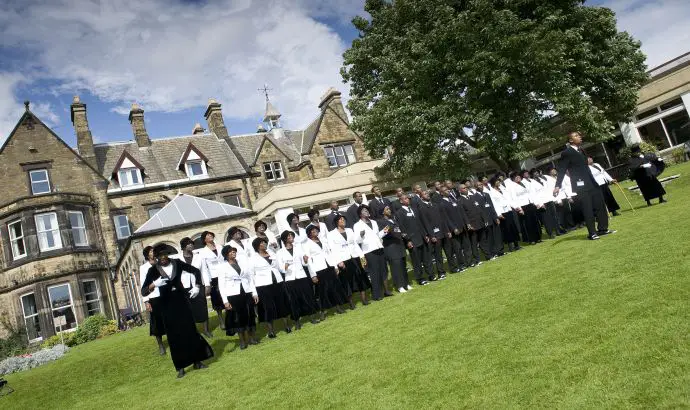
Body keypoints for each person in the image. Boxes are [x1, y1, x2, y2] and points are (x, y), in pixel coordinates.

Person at [141, 249, 213, 378]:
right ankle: (180, 367)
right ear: (156, 257)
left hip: (182, 301)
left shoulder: (177, 263)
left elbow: (196, 271)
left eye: (164, 254)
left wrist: (197, 286)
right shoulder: (153, 270)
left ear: (167, 255)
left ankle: (197, 362)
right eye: (159, 256)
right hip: (166, 305)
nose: (163, 257)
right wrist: (154, 284)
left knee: (190, 330)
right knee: (174, 335)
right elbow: (144, 291)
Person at [553, 132, 614, 240]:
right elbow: (562, 170)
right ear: (570, 140)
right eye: (576, 136)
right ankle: (592, 233)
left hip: (592, 183)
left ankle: (603, 229)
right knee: (587, 209)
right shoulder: (567, 153)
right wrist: (557, 186)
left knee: (600, 205)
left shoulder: (581, 150)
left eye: (579, 135)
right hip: (581, 185)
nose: (579, 137)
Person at [217, 245, 259, 349]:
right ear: (226, 254)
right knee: (238, 317)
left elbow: (250, 278)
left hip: (246, 292)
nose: (233, 253)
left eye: (234, 251)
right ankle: (242, 341)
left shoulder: (242, 263)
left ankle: (252, 338)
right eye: (231, 252)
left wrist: (254, 293)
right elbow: (221, 285)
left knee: (249, 315)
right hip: (233, 294)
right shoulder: (222, 267)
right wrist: (225, 301)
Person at [249, 237, 292, 338]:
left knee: (281, 304)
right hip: (263, 286)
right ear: (257, 246)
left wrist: (285, 266)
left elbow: (279, 267)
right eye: (262, 243)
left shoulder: (272, 253)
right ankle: (271, 331)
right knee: (267, 307)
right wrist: (254, 292)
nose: (264, 244)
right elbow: (251, 276)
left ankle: (287, 326)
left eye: (265, 242)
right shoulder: (252, 258)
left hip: (277, 282)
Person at [277, 231, 321, 327]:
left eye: (292, 235)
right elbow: (280, 268)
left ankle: (312, 317)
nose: (291, 237)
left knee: (307, 297)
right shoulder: (280, 252)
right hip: (290, 278)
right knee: (294, 300)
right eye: (289, 236)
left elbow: (304, 263)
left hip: (301, 276)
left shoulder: (298, 248)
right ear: (284, 239)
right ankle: (297, 321)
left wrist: (305, 260)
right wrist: (285, 266)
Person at [327, 215, 372, 306]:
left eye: (344, 219)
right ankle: (351, 302)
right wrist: (339, 261)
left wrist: (362, 257)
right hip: (343, 260)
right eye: (341, 220)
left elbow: (355, 244)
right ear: (336, 222)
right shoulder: (331, 234)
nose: (343, 221)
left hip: (355, 257)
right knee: (347, 281)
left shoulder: (349, 230)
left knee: (360, 277)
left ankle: (364, 299)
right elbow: (333, 249)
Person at [303, 225, 348, 316]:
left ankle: (338, 307)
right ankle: (322, 311)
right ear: (309, 233)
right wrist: (313, 275)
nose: (315, 231)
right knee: (323, 291)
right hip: (319, 269)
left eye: (316, 229)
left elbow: (329, 253)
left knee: (334, 288)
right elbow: (308, 261)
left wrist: (335, 266)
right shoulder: (306, 244)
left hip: (329, 266)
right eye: (312, 230)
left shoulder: (323, 240)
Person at [353, 205, 392, 300]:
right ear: (360, 214)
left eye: (367, 210)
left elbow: (377, 235)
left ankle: (386, 291)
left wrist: (385, 231)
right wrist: (361, 235)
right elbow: (357, 241)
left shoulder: (374, 222)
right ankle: (377, 295)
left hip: (379, 248)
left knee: (384, 270)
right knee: (374, 273)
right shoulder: (357, 225)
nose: (366, 211)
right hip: (369, 251)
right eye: (364, 210)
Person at [178, 238, 212, 338]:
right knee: (188, 309)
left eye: (192, 244)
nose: (191, 245)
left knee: (202, 306)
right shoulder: (178, 259)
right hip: (185, 286)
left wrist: (207, 285)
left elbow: (204, 271)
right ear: (183, 247)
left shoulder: (199, 256)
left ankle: (206, 330)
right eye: (188, 244)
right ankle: (193, 331)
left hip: (198, 284)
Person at [395, 194, 432, 286]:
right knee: (416, 261)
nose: (407, 200)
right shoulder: (399, 213)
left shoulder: (414, 209)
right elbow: (401, 228)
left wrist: (425, 235)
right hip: (412, 240)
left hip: (421, 237)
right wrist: (407, 240)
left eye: (408, 198)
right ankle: (420, 278)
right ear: (401, 201)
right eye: (405, 199)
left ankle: (430, 275)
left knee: (426, 258)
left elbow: (420, 223)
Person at [416, 190, 448, 280]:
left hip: (440, 232)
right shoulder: (421, 207)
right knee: (433, 256)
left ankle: (442, 271)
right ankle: (434, 274)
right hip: (432, 235)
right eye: (425, 193)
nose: (427, 194)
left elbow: (441, 219)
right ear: (421, 197)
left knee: (440, 254)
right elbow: (425, 222)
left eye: (427, 193)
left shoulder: (434, 204)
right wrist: (432, 235)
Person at [139, 246, 166, 355]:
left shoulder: (161, 262)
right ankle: (160, 345)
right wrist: (146, 301)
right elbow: (143, 284)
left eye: (153, 250)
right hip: (153, 296)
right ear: (147, 255)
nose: (153, 252)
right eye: (150, 251)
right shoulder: (144, 268)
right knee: (156, 322)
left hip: (165, 294)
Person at [197, 231, 226, 330]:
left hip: (224, 274)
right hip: (213, 277)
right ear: (204, 240)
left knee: (228, 296)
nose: (210, 236)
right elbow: (204, 269)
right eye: (207, 235)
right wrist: (207, 283)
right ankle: (221, 320)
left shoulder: (220, 247)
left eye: (211, 234)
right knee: (217, 299)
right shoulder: (202, 252)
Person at [380, 205, 412, 293]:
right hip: (391, 247)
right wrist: (391, 230)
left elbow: (399, 230)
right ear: (383, 212)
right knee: (396, 267)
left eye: (389, 209)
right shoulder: (381, 222)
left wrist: (405, 237)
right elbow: (383, 234)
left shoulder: (394, 220)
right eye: (387, 209)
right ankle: (399, 285)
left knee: (403, 266)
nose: (389, 210)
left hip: (400, 245)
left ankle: (406, 283)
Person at [437, 185, 468, 272]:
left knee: (466, 245)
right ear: (441, 193)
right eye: (445, 190)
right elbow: (446, 218)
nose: (448, 191)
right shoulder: (442, 204)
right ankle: (461, 265)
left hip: (461, 226)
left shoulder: (453, 200)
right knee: (457, 248)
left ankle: (468, 262)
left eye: (448, 190)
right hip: (454, 229)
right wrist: (453, 228)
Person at [457, 183, 486, 266]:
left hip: (479, 222)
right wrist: (468, 224)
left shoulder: (472, 197)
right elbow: (463, 214)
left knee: (483, 240)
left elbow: (479, 209)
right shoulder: (460, 200)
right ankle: (477, 259)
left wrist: (483, 219)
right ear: (459, 191)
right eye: (463, 188)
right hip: (472, 225)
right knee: (474, 243)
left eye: (466, 187)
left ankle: (488, 255)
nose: (466, 189)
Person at [509, 171, 541, 244]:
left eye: (518, 176)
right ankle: (531, 239)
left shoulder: (524, 183)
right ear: (513, 179)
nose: (518, 177)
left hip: (530, 203)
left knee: (534, 221)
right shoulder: (512, 186)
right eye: (516, 177)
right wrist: (519, 208)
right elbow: (513, 198)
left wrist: (535, 203)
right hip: (523, 206)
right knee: (527, 223)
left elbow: (530, 193)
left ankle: (537, 238)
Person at [490, 178, 521, 252]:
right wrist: (499, 214)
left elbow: (508, 199)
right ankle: (511, 246)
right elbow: (494, 204)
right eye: (497, 181)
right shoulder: (492, 192)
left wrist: (515, 207)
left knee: (513, 227)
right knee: (506, 229)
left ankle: (516, 244)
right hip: (502, 212)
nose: (498, 182)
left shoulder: (502, 189)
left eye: (499, 181)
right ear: (493, 183)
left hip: (509, 210)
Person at [476, 182, 501, 258]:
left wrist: (495, 217)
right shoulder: (475, 197)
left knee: (496, 235)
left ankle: (498, 251)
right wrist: (484, 220)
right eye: (479, 185)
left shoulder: (486, 194)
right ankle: (492, 252)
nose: (481, 186)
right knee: (489, 237)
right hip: (486, 219)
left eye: (481, 185)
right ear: (476, 187)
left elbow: (492, 206)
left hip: (492, 217)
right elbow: (479, 210)